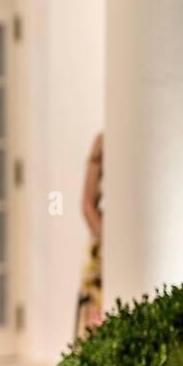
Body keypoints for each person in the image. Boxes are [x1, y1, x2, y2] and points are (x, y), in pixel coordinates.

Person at [76, 130, 104, 339]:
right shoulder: (103, 141)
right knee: (95, 317)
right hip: (103, 245)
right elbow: (87, 203)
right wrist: (105, 239)